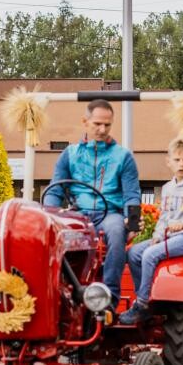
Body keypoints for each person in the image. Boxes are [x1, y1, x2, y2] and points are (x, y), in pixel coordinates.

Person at [44, 98, 140, 312]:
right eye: (97, 124)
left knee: (116, 231)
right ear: (85, 122)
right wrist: (49, 216)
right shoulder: (70, 154)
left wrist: (132, 222)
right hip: (78, 215)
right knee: (54, 237)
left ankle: (108, 299)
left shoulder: (123, 156)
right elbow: (54, 191)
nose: (102, 129)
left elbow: (131, 194)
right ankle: (58, 294)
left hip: (110, 214)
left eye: (107, 125)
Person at [120, 135, 183, 325]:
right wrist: (157, 236)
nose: (181, 164)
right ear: (168, 161)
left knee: (150, 255)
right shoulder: (168, 188)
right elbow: (164, 217)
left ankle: (142, 304)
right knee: (134, 253)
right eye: (177, 160)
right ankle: (144, 298)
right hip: (170, 237)